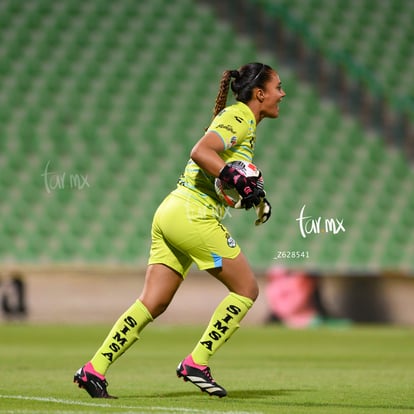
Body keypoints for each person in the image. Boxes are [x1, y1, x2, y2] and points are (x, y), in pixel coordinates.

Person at [73, 62, 286, 398]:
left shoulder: (241, 121)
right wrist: (239, 181)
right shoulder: (240, 116)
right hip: (192, 215)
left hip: (173, 211)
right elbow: (201, 152)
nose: (282, 94)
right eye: (277, 88)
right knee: (246, 289)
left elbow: (220, 178)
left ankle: (93, 369)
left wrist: (252, 195)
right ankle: (196, 363)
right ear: (260, 94)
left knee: (153, 302)